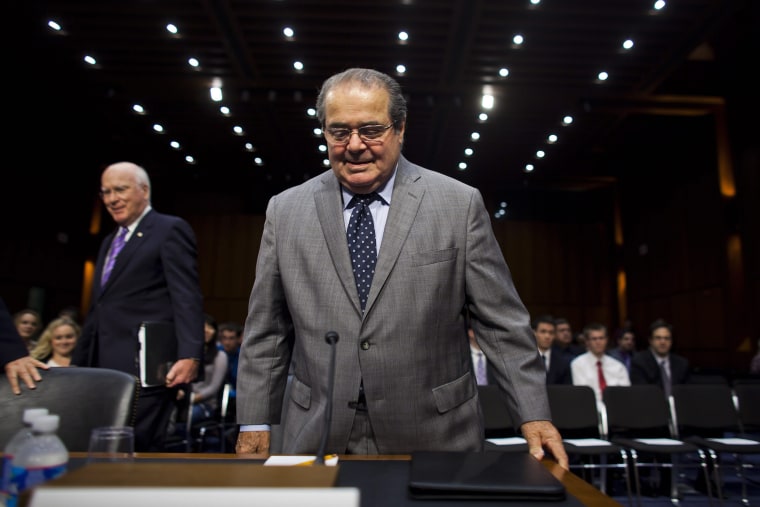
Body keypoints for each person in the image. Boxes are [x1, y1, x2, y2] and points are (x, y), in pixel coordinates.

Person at [234, 67, 567, 468]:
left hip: (435, 435)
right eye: (339, 132)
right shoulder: (285, 211)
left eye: (371, 130)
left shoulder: (458, 205)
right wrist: (255, 420)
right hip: (318, 433)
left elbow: (501, 324)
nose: (354, 145)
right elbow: (266, 330)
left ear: (400, 128)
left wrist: (534, 414)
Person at [72, 161, 204, 451]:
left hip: (146, 372)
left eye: (120, 189)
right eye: (106, 192)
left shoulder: (169, 229)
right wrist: (76, 365)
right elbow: (100, 308)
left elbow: (186, 296)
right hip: (101, 370)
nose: (111, 199)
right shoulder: (108, 241)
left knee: (137, 451)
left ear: (144, 190)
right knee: (99, 452)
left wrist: (190, 355)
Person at [570, 322, 630, 406]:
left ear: (606, 340)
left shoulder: (618, 366)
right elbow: (582, 394)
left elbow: (626, 393)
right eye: (594, 339)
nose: (598, 342)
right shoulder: (577, 364)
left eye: (601, 338)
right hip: (589, 409)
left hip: (617, 409)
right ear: (587, 342)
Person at [1, 297, 48, 394]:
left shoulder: (43, 349)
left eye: (33, 324)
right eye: (24, 323)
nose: (29, 327)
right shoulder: (13, 353)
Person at [630, 319, 690, 393]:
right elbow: (641, 392)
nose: (663, 342)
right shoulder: (639, 362)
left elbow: (686, 392)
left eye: (667, 338)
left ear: (671, 341)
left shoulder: (682, 363)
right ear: (650, 340)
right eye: (658, 338)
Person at [532, 314, 572, 385]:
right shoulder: (525, 358)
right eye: (543, 332)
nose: (547, 336)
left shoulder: (564, 360)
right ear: (534, 333)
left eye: (551, 332)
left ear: (554, 335)